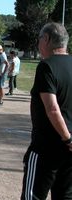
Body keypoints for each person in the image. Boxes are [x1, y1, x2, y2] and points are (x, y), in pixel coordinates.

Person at [21, 22, 72, 199]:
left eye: (40, 39)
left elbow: (52, 108)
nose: (38, 43)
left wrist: (67, 138)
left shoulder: (46, 66)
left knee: (32, 197)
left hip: (46, 148)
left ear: (47, 39)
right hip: (69, 151)